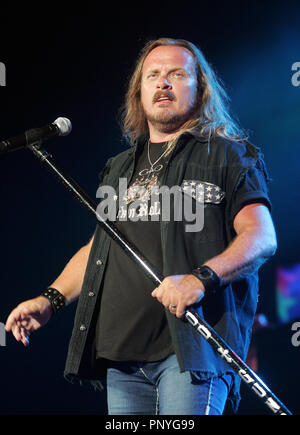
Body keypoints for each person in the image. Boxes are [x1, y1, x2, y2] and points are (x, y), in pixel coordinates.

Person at [5, 38, 277, 415]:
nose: (163, 82)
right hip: (122, 357)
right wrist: (48, 300)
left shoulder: (229, 154)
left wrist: (200, 279)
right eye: (153, 75)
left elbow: (261, 238)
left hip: (190, 354)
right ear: (140, 91)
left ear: (199, 90)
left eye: (177, 74)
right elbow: (99, 250)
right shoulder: (118, 167)